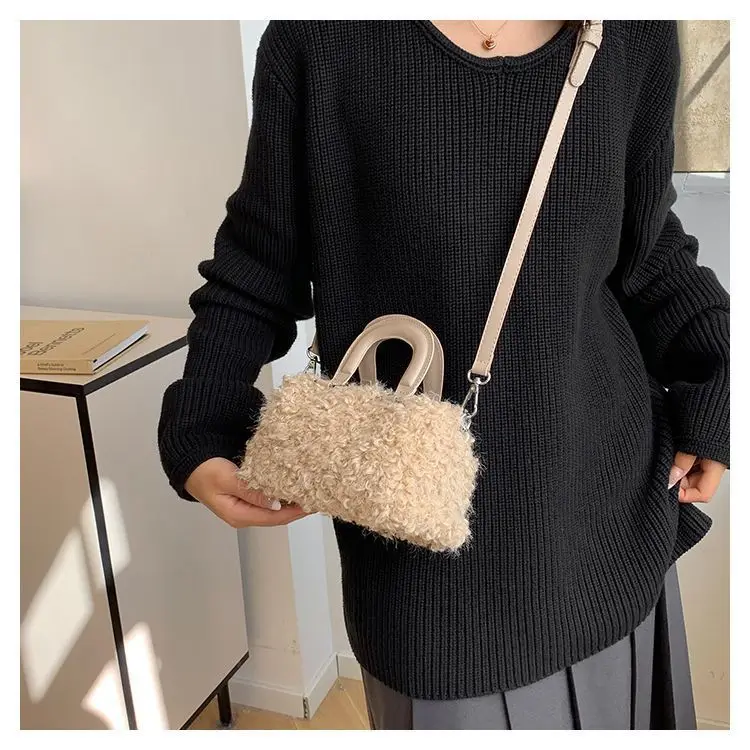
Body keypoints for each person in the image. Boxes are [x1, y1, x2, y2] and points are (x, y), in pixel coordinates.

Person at [158, 20, 730, 729]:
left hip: (612, 525)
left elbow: (646, 249)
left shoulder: (632, 33)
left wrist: (720, 378)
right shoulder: (321, 39)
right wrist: (202, 424)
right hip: (429, 572)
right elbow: (258, 265)